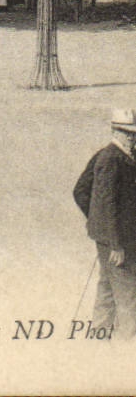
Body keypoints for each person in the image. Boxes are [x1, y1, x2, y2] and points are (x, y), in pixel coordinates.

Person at [72, 108, 136, 339]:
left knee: (107, 291)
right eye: (127, 133)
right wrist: (112, 240)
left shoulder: (115, 156)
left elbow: (81, 191)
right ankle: (126, 352)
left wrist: (97, 225)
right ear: (115, 131)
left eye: (134, 134)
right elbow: (104, 202)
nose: (132, 138)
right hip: (118, 243)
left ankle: (98, 342)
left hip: (112, 238)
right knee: (129, 298)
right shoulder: (110, 159)